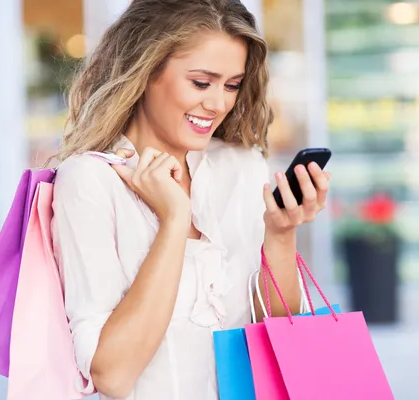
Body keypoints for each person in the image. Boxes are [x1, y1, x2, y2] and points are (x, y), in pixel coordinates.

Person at [50, 0, 330, 399]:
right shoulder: (90, 181)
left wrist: (281, 234)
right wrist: (174, 221)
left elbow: (279, 337)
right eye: (201, 83)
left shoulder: (242, 167)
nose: (218, 104)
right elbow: (112, 375)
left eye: (231, 85)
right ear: (145, 71)